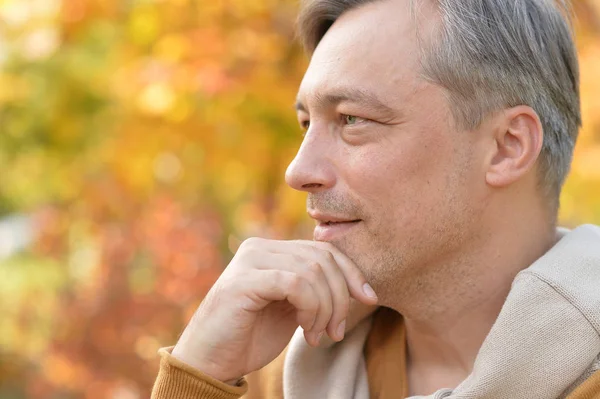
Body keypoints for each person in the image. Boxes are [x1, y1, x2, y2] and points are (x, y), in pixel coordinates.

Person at [151, 0, 600, 397]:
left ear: (507, 146)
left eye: (352, 120)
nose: (298, 172)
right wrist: (198, 376)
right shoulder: (265, 378)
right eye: (307, 124)